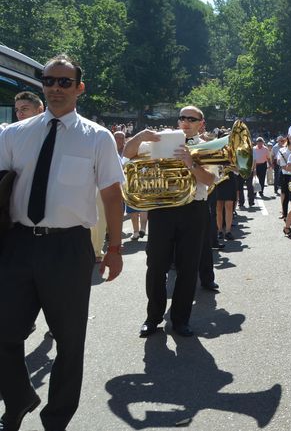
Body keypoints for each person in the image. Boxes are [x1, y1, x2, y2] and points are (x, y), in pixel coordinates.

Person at [0, 54, 125, 431]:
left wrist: (114, 248)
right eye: (49, 80)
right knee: (4, 333)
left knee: (70, 344)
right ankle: (19, 397)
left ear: (79, 88)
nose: (55, 87)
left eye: (64, 82)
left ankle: (56, 421)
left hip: (69, 247)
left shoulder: (97, 137)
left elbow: (113, 197)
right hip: (18, 244)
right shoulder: (13, 134)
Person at [124, 106, 217, 338]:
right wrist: (139, 136)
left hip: (193, 209)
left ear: (201, 123)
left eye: (191, 119)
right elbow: (128, 153)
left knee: (188, 268)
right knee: (156, 266)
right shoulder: (161, 139)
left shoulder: (208, 146)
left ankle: (180, 320)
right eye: (182, 117)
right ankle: (153, 317)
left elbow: (210, 180)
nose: (186, 121)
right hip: (162, 209)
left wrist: (190, 164)